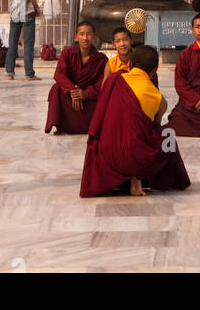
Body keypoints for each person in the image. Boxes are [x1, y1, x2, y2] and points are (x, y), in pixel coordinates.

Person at [81, 43, 190, 198]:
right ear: (155, 70)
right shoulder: (159, 100)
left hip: (105, 155)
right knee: (167, 136)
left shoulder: (114, 80)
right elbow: (152, 129)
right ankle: (149, 180)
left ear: (130, 64)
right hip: (133, 157)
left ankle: (122, 178)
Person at [45, 19, 107, 134]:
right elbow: (59, 74)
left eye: (88, 34)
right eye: (82, 34)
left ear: (93, 36)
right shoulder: (68, 53)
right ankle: (61, 125)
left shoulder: (101, 59)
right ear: (76, 37)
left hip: (87, 100)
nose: (85, 38)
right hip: (71, 96)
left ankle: (90, 126)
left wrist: (86, 94)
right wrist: (74, 90)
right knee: (56, 88)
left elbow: (101, 83)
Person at [5, 0, 41, 81]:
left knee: (12, 42)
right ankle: (29, 74)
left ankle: (9, 72)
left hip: (15, 11)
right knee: (28, 43)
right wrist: (37, 7)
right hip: (26, 11)